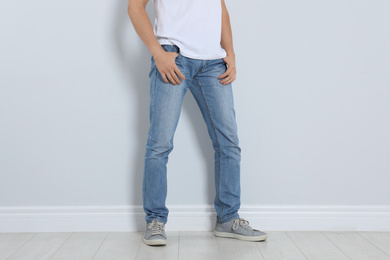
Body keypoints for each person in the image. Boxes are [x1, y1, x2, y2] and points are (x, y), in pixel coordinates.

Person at [128, 0, 268, 246]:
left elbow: (220, 8)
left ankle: (228, 218)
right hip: (174, 55)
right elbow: (135, 6)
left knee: (229, 144)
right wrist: (158, 53)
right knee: (160, 144)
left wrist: (230, 53)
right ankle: (155, 220)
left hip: (213, 61)